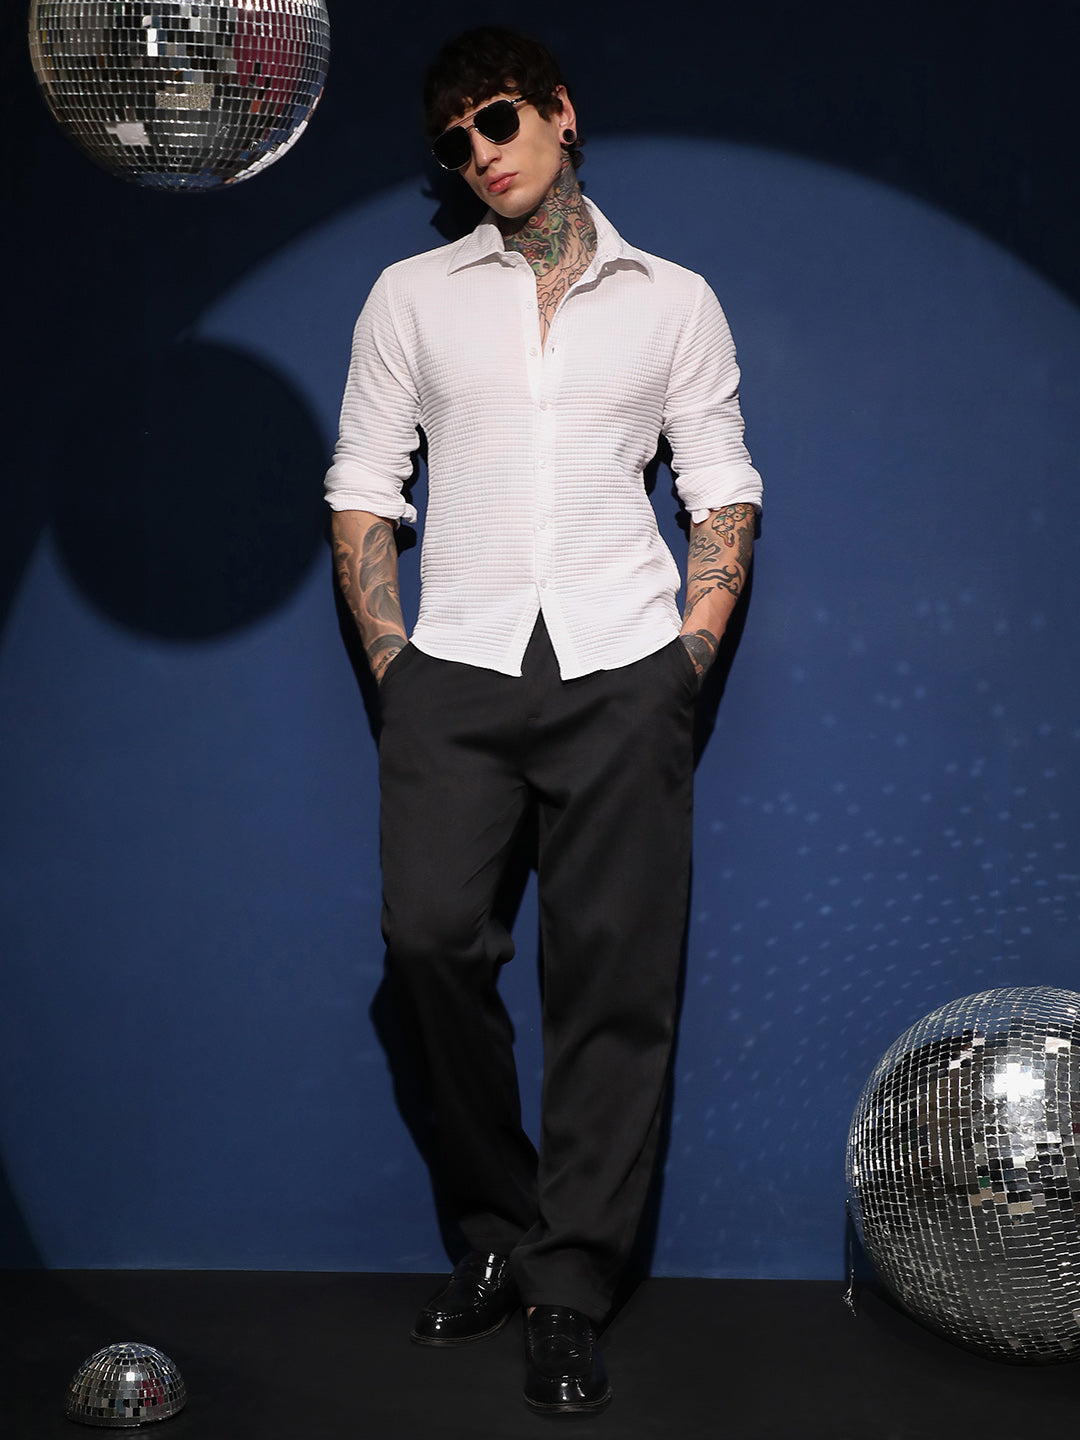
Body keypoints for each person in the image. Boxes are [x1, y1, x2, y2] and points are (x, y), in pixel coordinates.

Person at [325, 27, 762, 1416]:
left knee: (615, 986)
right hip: (452, 668)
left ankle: (569, 1287)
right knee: (428, 941)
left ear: (562, 115)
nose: (480, 153)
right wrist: (395, 666)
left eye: (499, 119)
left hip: (623, 664)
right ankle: (501, 1233)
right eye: (453, 142)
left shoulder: (674, 300)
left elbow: (722, 488)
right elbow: (364, 486)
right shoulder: (411, 297)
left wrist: (684, 662)